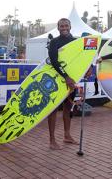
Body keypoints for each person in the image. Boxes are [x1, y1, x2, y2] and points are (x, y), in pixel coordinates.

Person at [47, 18, 79, 150]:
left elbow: (81, 59)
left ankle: (67, 135)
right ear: (58, 28)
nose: (64, 27)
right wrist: (66, 77)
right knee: (53, 109)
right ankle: (52, 140)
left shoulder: (76, 42)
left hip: (72, 80)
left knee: (68, 107)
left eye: (66, 25)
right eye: (61, 26)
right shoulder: (54, 42)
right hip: (57, 80)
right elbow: (54, 62)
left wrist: (88, 69)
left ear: (70, 27)